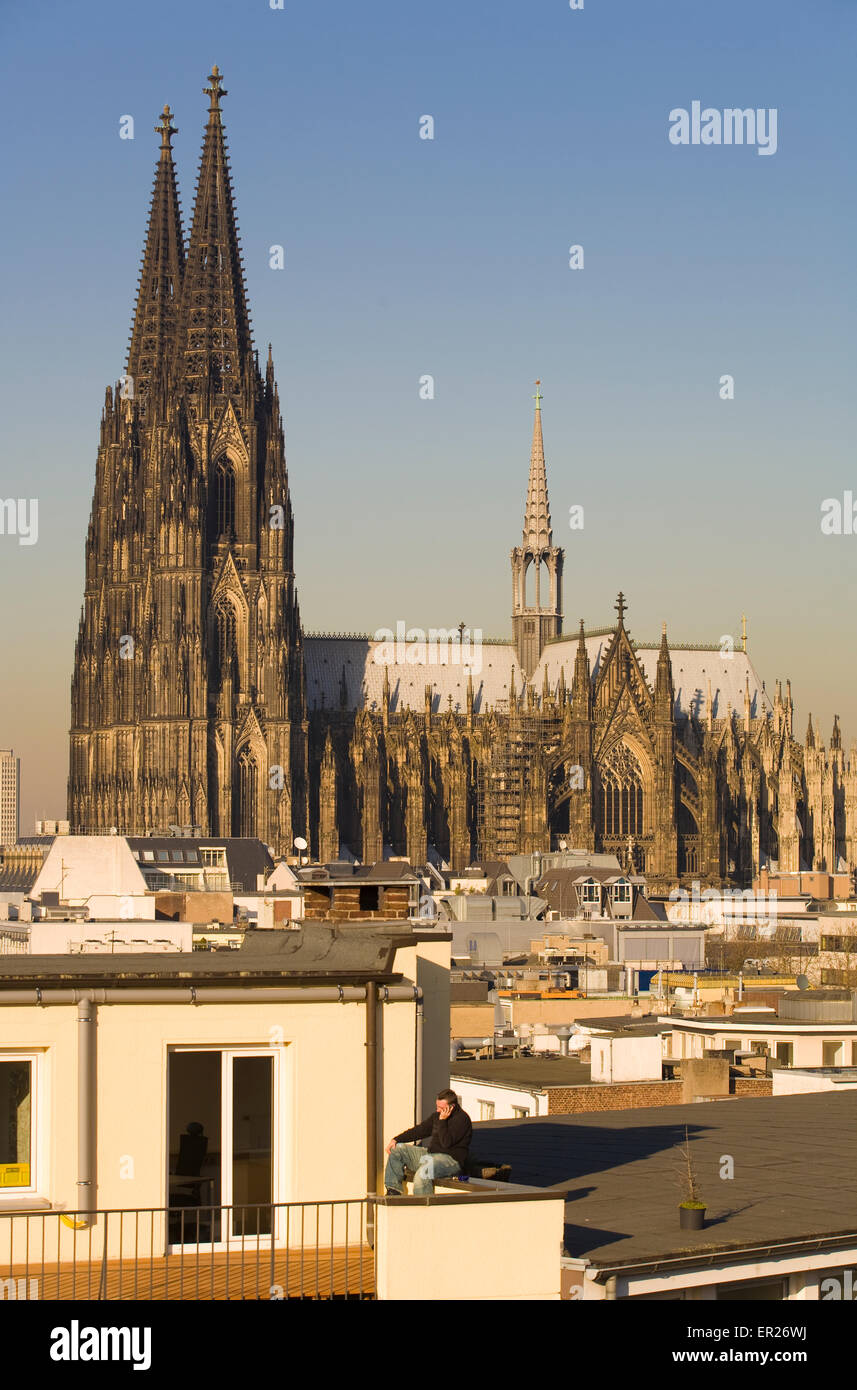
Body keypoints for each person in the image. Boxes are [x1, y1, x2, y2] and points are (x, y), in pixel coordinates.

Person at [384, 1089, 472, 1196]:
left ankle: (422, 1207)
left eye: (441, 1108)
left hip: (450, 1161)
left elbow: (446, 1143)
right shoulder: (437, 1116)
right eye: (437, 1106)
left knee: (423, 1173)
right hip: (430, 1155)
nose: (438, 1110)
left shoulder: (462, 1120)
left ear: (451, 1107)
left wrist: (443, 1121)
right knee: (398, 1149)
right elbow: (420, 1130)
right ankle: (393, 1191)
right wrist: (396, 1139)